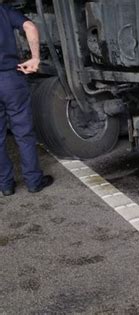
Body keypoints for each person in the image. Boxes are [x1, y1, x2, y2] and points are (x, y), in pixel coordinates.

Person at [0, 3, 53, 197]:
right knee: (23, 132)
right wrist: (35, 58)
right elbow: (29, 26)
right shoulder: (4, 11)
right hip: (10, 79)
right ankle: (33, 182)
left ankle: (5, 185)